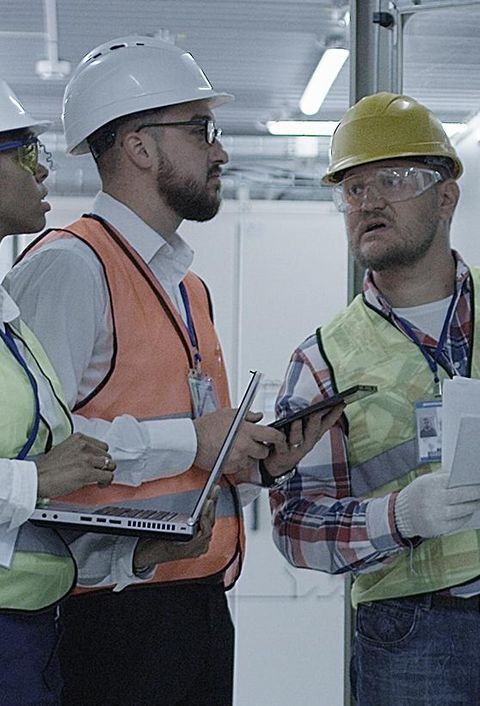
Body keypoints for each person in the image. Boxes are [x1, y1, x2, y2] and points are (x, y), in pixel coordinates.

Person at [5, 37, 340, 705]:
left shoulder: (187, 286)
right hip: (109, 612)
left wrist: (247, 459)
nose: (219, 150)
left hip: (192, 592)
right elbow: (47, 449)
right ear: (140, 147)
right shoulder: (71, 265)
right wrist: (193, 440)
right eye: (200, 130)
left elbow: (182, 437)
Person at [270, 92, 480, 706]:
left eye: (394, 179)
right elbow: (295, 524)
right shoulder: (324, 359)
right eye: (354, 188)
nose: (369, 202)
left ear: (446, 196)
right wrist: (400, 517)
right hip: (412, 634)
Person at [0, 77, 119, 705]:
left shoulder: (7, 314)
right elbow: (34, 476)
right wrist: (34, 479)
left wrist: (135, 552)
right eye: (21, 152)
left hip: (31, 629)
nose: (40, 169)